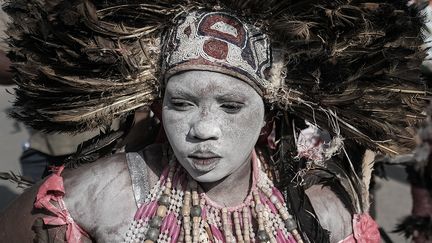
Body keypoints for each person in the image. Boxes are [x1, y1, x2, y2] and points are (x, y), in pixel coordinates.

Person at [0, 1, 429, 242]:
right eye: (182, 104)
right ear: (156, 107)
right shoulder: (85, 200)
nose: (203, 129)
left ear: (267, 117)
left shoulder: (327, 217)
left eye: (231, 106)